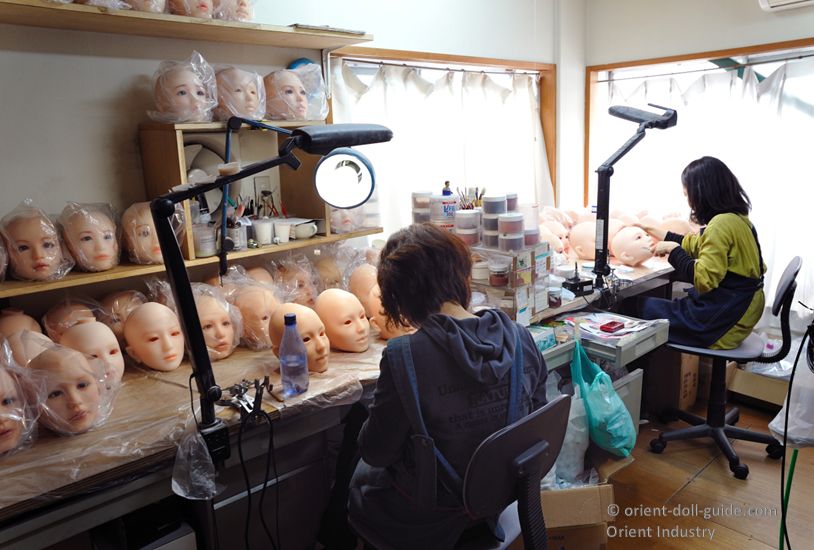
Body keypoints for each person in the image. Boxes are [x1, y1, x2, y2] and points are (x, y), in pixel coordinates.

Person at [347, 223, 548, 549]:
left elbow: (377, 452)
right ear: (463, 278)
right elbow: (538, 420)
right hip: (500, 496)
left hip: (431, 516)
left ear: (398, 299)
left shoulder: (404, 357)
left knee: (356, 468)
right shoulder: (518, 336)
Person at [638, 156, 765, 349]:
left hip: (724, 322)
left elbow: (704, 280)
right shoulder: (737, 219)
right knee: (653, 306)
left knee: (637, 308)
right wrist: (656, 230)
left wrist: (674, 252)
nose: (689, 202)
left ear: (701, 193)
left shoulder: (720, 224)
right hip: (740, 310)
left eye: (687, 194)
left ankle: (644, 378)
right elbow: (698, 243)